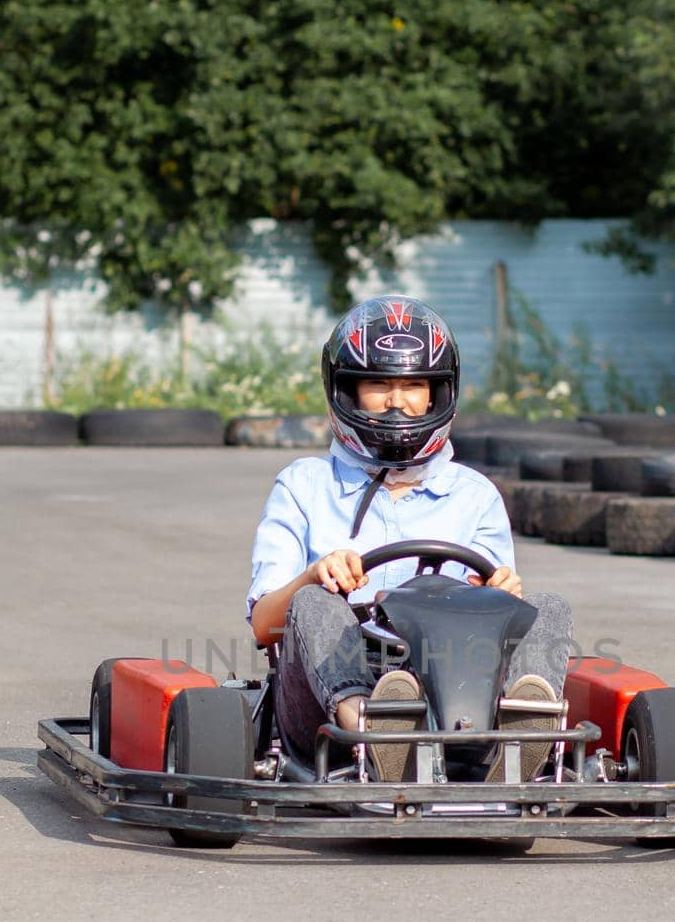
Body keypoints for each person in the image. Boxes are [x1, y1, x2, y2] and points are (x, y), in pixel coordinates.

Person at [246, 295, 574, 782]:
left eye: (413, 385)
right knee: (313, 602)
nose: (397, 401)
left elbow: (497, 611)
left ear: (437, 393)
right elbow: (262, 627)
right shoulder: (304, 486)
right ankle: (372, 729)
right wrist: (312, 579)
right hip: (326, 708)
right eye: (379, 383)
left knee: (546, 606)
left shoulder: (473, 495)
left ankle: (521, 741)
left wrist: (496, 597)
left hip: (457, 688)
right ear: (347, 392)